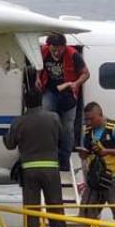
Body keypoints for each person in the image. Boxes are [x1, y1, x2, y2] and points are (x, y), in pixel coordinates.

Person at [4, 89, 69, 227]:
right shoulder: (54, 117)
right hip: (51, 170)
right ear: (41, 101)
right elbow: (62, 140)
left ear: (25, 102)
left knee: (32, 212)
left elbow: (9, 144)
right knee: (56, 209)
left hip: (29, 171)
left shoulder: (19, 121)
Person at [35, 33, 89, 171]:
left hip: (68, 93)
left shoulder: (73, 55)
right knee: (47, 123)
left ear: (64, 47)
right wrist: (37, 78)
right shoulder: (44, 51)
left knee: (67, 128)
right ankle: (49, 155)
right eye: (53, 50)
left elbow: (85, 73)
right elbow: (38, 66)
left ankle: (64, 159)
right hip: (50, 91)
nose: (56, 53)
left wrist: (76, 83)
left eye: (59, 50)